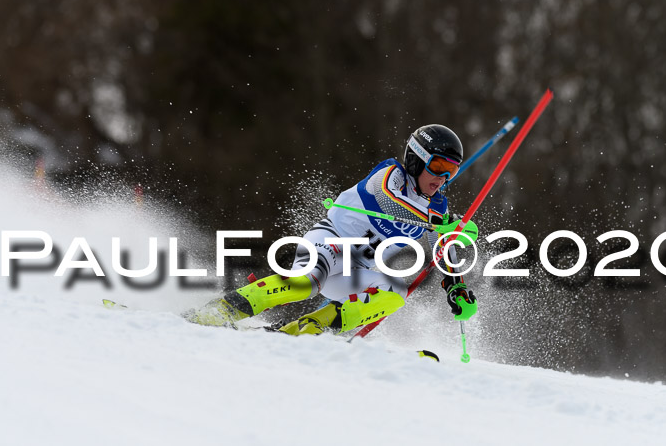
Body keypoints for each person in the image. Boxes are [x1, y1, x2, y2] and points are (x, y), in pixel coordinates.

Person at [185, 124, 478, 335]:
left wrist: (456, 286)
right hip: (331, 242)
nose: (442, 177)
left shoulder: (437, 208)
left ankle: (308, 329)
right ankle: (222, 309)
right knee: (306, 282)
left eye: (450, 171)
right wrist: (442, 221)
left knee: (395, 292)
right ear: (416, 157)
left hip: (356, 267)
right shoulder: (389, 175)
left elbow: (444, 249)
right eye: (438, 165)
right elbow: (391, 202)